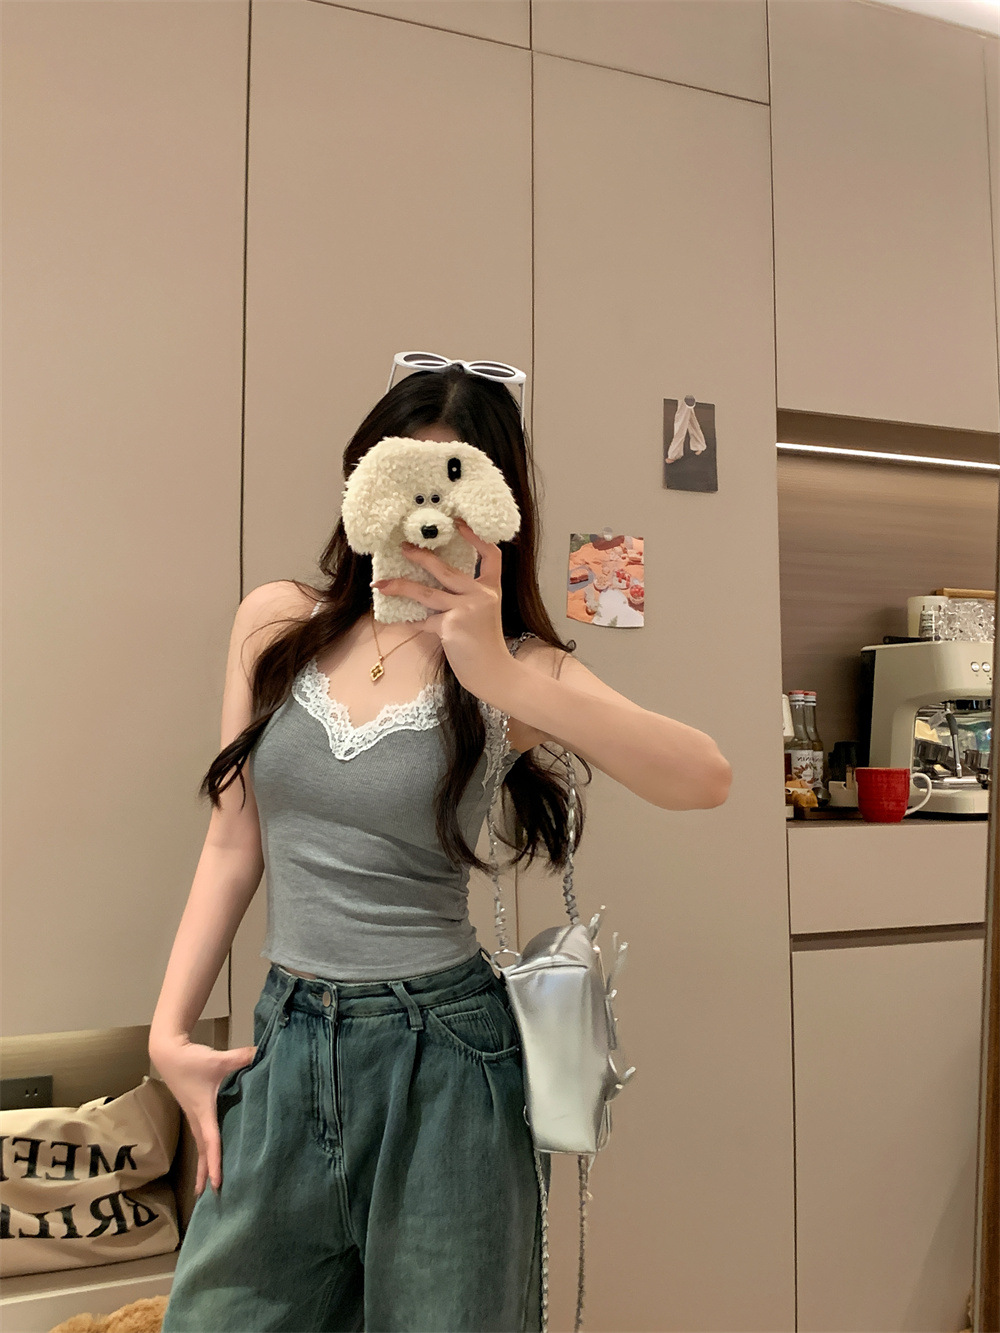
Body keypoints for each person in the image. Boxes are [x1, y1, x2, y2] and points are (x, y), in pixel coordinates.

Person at [151, 356, 732, 1333]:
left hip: (448, 1060)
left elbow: (703, 776)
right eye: (402, 479)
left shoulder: (516, 667)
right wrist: (167, 1033)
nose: (424, 517)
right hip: (287, 1042)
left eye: (456, 489)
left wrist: (499, 672)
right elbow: (232, 840)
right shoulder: (277, 622)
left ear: (496, 511)